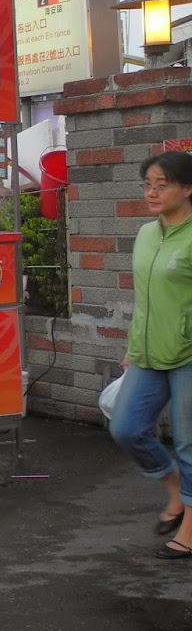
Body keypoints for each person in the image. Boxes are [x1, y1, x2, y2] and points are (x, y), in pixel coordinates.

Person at [108, 150, 192, 560]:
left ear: (188, 189)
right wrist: (132, 348)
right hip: (147, 352)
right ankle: (175, 489)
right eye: (147, 185)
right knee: (126, 428)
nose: (151, 192)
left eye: (162, 185)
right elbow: (144, 297)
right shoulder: (145, 233)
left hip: (189, 354)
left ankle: (190, 529)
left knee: (189, 442)